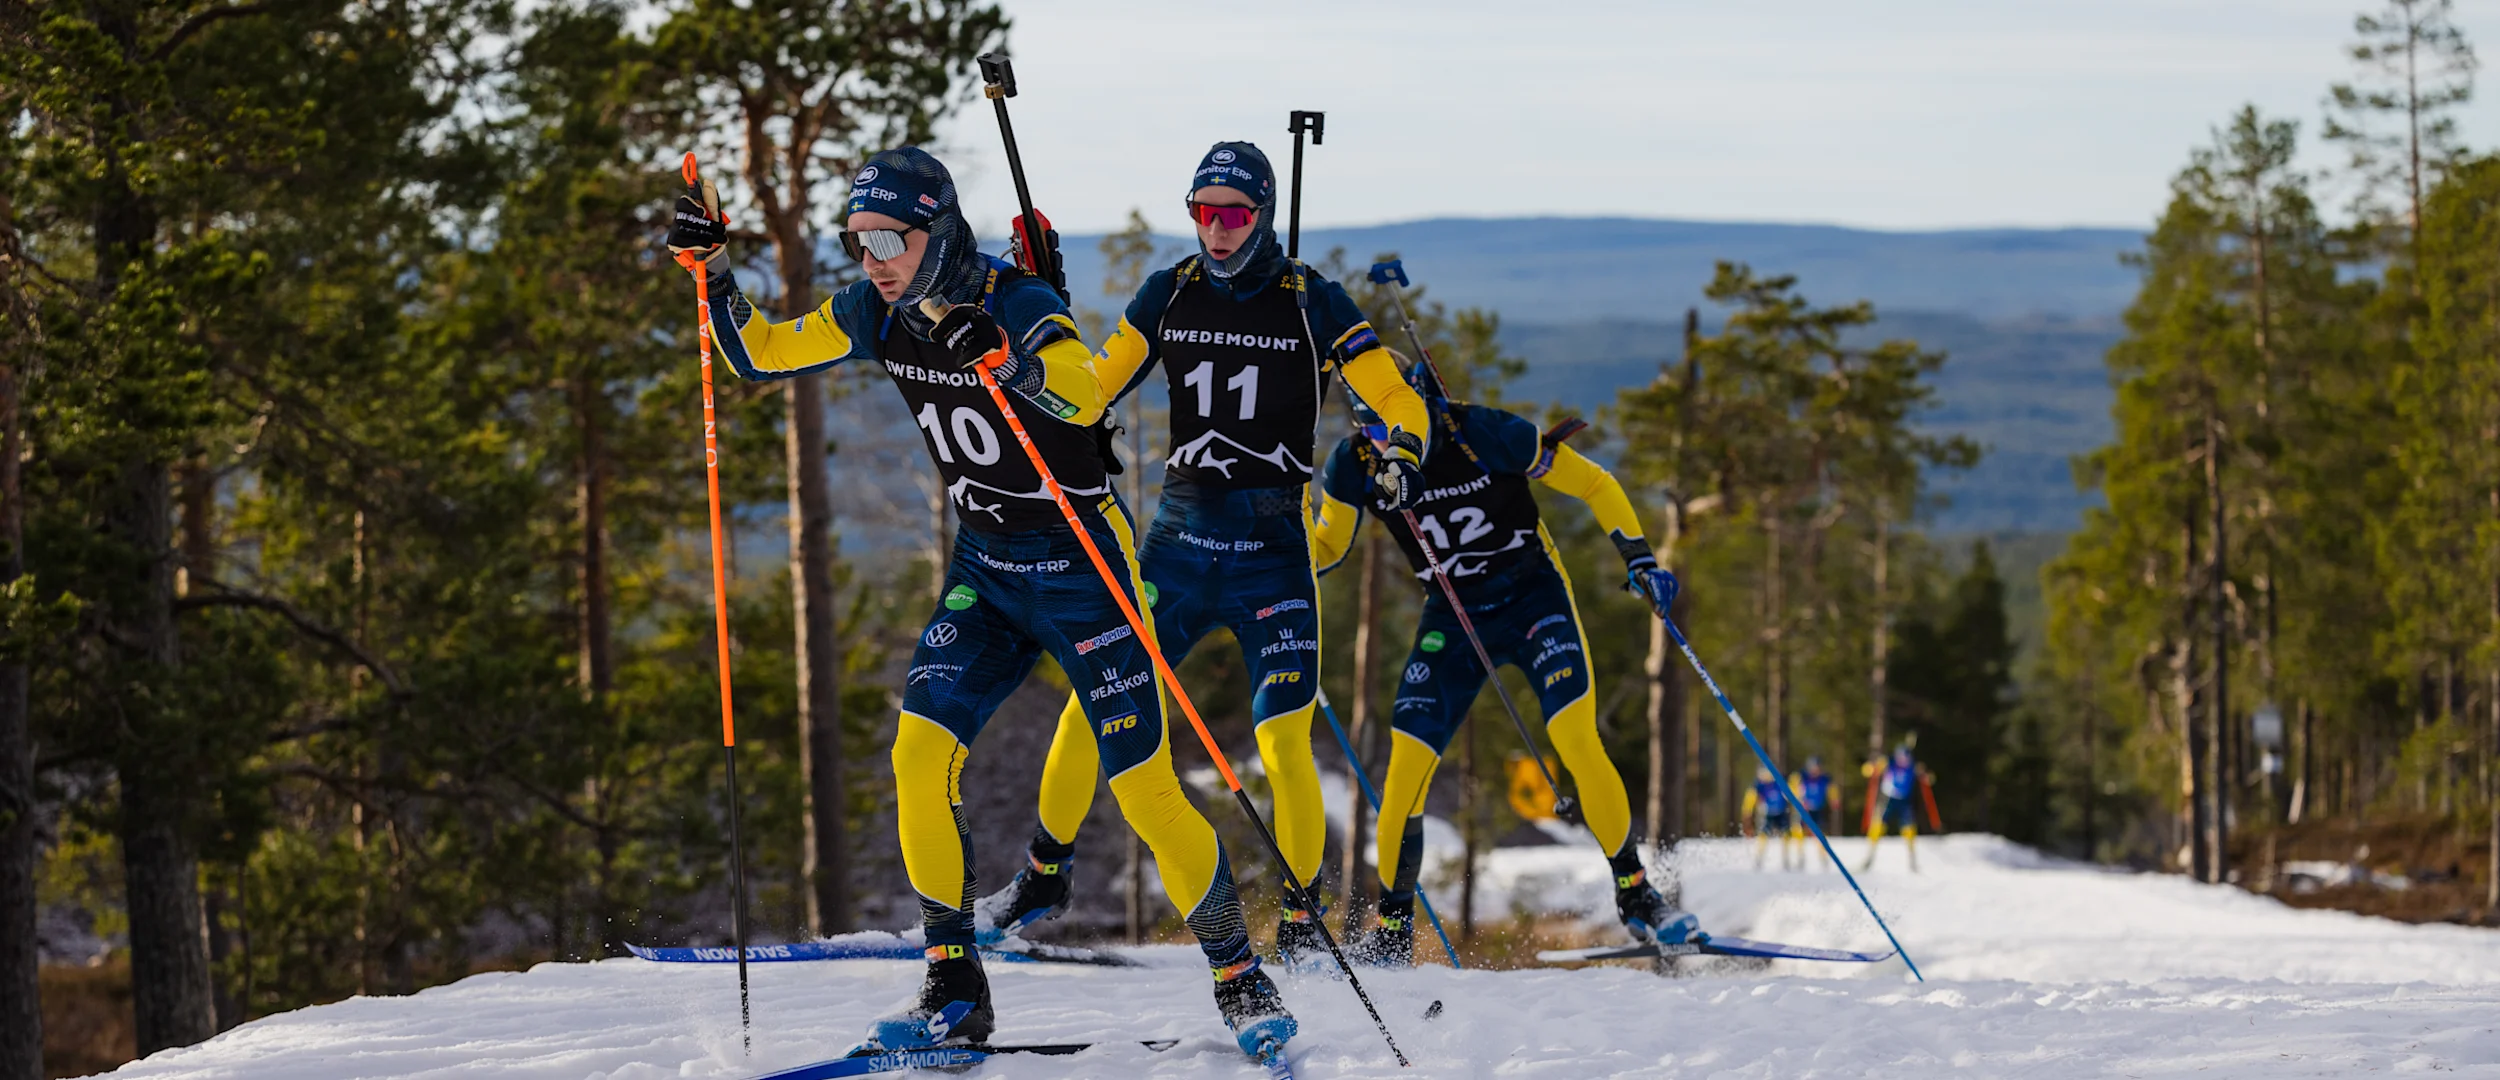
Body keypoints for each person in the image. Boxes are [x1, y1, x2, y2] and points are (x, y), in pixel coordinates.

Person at [664, 147, 1292, 1060]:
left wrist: (1010, 361)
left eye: (889, 239)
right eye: (856, 241)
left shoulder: (1016, 300)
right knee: (918, 754)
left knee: (1145, 789)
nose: (872, 259)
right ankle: (954, 988)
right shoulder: (874, 310)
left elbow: (1085, 394)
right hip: (989, 569)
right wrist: (714, 270)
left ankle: (1241, 978)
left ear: (938, 229)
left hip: (1084, 567)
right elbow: (760, 355)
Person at [979, 141, 1430, 967]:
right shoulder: (1170, 290)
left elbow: (1393, 391)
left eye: (1235, 214)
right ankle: (1045, 874)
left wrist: (1403, 442)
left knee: (1282, 741)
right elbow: (1093, 389)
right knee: (1091, 705)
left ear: (1263, 215)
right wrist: (1036, 346)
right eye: (1202, 212)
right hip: (1180, 546)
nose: (1217, 229)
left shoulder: (1313, 300)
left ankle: (1301, 921)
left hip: (1272, 552)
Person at [1309, 358, 1698, 964]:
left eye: (1394, 425)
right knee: (1404, 771)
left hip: (1533, 600)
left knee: (1574, 737)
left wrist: (1639, 559)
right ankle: (1391, 934)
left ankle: (1637, 893)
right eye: (1372, 429)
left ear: (1425, 407)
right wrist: (1273, 555)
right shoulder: (1355, 462)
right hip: (1454, 617)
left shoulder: (1483, 433)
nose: (1386, 443)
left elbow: (1594, 483)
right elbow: (1329, 544)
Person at [1860, 744, 1936, 872]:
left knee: (1909, 828)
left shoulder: (1913, 767)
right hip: (1888, 799)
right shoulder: (1888, 764)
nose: (1903, 760)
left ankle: (1912, 860)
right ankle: (1869, 856)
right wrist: (1872, 766)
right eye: (1901, 757)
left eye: (1906, 757)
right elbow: (1867, 770)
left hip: (1904, 801)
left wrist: (1925, 774)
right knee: (1878, 826)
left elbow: (1929, 779)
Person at [1742, 767, 1795, 871]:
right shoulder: (1758, 786)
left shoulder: (1779, 783)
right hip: (1767, 814)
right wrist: (1747, 814)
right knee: (1763, 834)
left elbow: (1792, 792)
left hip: (1781, 813)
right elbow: (1749, 800)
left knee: (1786, 834)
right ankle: (1759, 857)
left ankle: (1786, 858)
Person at [1790, 756, 1838, 870]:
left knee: (1820, 834)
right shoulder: (1802, 777)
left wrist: (1834, 800)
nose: (1815, 770)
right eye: (1813, 767)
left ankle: (1823, 857)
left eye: (1817, 768)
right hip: (1804, 810)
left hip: (1818, 809)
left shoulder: (1824, 779)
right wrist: (1798, 800)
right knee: (1798, 830)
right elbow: (1793, 788)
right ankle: (1800, 856)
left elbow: (1832, 790)